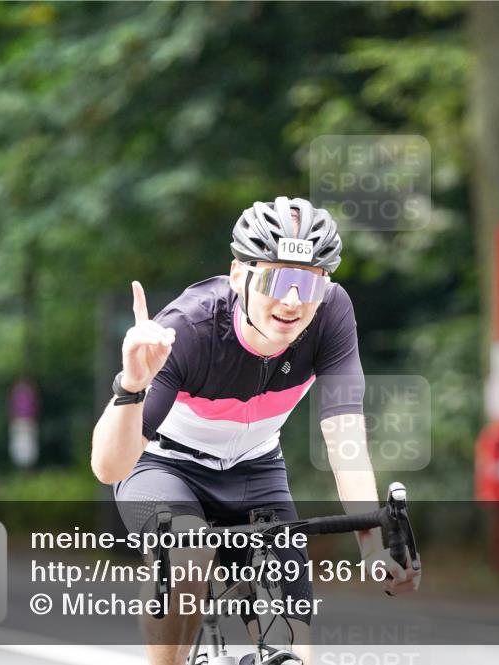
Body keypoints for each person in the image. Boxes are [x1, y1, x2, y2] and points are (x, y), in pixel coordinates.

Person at [90, 196, 420, 665]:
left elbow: (345, 440)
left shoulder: (331, 313)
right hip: (163, 466)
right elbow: (109, 468)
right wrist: (131, 387)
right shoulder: (188, 328)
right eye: (276, 278)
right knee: (189, 552)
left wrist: (370, 545)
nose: (292, 300)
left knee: (293, 651)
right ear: (240, 274)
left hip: (255, 469)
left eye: (307, 282)